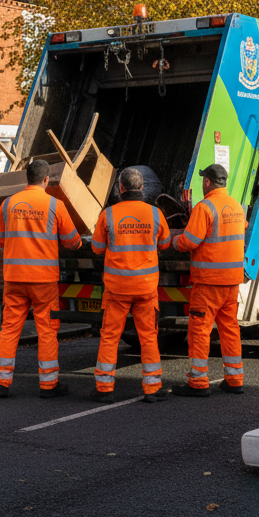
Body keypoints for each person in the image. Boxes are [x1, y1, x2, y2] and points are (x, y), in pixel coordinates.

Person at [0, 159, 81, 398]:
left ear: (26, 179)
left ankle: (1, 382)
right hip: (43, 281)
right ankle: (48, 384)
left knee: (9, 329)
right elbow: (72, 241)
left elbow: (1, 240)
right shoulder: (55, 205)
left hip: (14, 279)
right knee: (47, 330)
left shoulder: (7, 204)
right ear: (46, 180)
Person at [89, 168, 171, 403]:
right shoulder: (155, 214)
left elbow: (96, 247)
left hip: (117, 289)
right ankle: (152, 388)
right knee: (148, 337)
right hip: (145, 289)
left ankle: (104, 388)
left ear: (120, 189)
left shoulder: (109, 215)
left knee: (110, 336)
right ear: (142, 188)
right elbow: (165, 243)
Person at [171, 163, 246, 397]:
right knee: (230, 329)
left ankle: (198, 382)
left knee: (200, 331)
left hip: (208, 283)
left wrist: (173, 242)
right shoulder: (236, 206)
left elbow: (190, 241)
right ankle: (235, 379)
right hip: (231, 282)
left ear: (207, 182)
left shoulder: (204, 208)